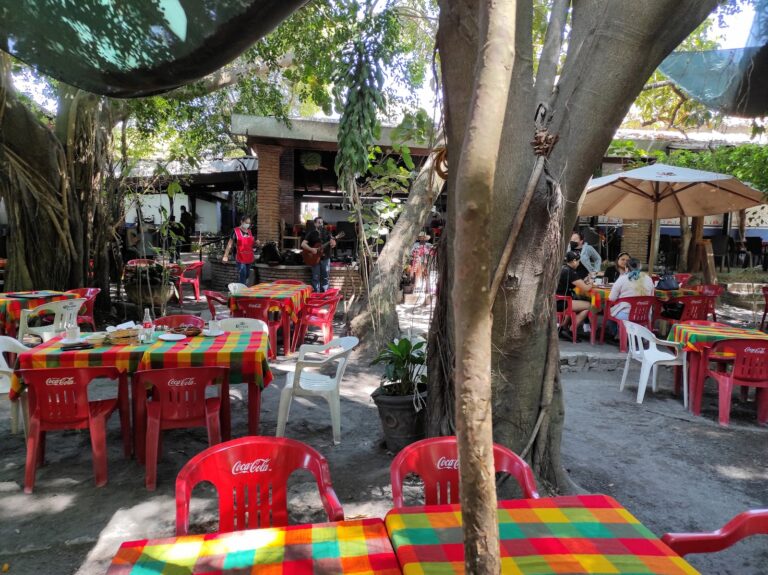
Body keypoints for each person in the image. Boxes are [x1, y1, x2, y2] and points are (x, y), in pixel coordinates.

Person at [606, 258, 655, 338]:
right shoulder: (649, 279)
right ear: (640, 267)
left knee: (609, 312)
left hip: (626, 315)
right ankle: (635, 336)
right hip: (644, 314)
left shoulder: (622, 279)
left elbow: (611, 298)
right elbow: (651, 296)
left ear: (626, 268)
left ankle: (618, 335)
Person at [557, 251, 593, 341]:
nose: (579, 263)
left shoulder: (563, 269)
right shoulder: (570, 272)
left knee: (584, 308)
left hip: (557, 300)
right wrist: (591, 282)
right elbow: (586, 288)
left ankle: (564, 328)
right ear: (574, 261)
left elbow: (576, 282)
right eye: (578, 261)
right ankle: (571, 330)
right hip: (563, 303)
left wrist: (584, 281)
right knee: (590, 305)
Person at [222, 216, 261, 284]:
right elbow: (229, 244)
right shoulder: (235, 231)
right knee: (243, 273)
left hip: (249, 256)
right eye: (246, 223)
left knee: (247, 274)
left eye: (249, 223)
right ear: (241, 222)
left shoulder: (249, 232)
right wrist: (225, 256)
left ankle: (240, 286)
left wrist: (256, 243)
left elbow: (251, 245)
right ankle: (242, 289)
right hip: (240, 256)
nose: (247, 225)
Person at [301, 217, 336, 292]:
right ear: (315, 224)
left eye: (321, 222)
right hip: (314, 258)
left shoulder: (327, 233)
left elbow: (333, 244)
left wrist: (333, 243)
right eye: (318, 222)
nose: (320, 224)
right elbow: (303, 244)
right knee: (315, 277)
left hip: (325, 257)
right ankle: (316, 294)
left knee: (325, 277)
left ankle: (324, 294)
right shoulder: (311, 233)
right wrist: (311, 249)